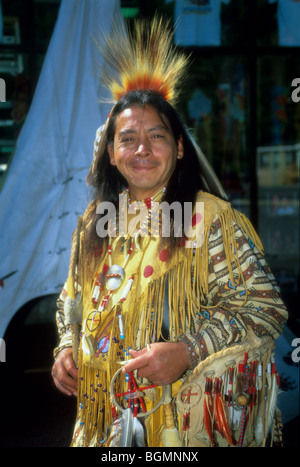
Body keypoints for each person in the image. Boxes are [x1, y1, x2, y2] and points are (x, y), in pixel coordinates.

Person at [51, 17, 288, 447]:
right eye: (128, 138)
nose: (142, 149)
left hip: (181, 426)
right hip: (103, 426)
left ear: (179, 147)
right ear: (110, 152)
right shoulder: (93, 223)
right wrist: (65, 349)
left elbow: (265, 308)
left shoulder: (210, 218)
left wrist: (187, 351)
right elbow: (73, 299)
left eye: (156, 136)